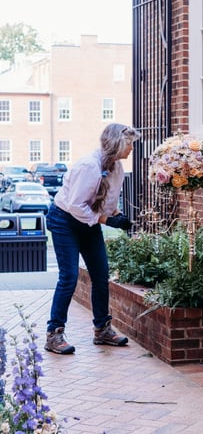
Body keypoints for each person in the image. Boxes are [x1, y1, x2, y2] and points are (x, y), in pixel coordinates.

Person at [44, 123, 141, 354]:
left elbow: (108, 202)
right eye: (129, 144)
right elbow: (76, 206)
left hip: (88, 222)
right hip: (64, 220)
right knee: (69, 277)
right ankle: (54, 334)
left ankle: (102, 330)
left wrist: (118, 216)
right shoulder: (88, 166)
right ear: (118, 143)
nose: (131, 149)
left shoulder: (116, 167)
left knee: (100, 274)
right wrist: (107, 221)